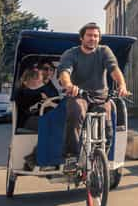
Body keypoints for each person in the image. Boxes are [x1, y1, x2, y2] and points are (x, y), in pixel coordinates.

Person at [58, 23, 130, 162]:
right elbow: (65, 72)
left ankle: (102, 157)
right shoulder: (71, 53)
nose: (93, 38)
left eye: (96, 36)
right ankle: (71, 156)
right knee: (76, 112)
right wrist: (69, 85)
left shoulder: (104, 51)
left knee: (108, 123)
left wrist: (122, 85)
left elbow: (114, 69)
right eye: (89, 35)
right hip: (79, 95)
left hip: (101, 96)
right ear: (82, 38)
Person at [16, 66, 59, 131]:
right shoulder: (25, 92)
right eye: (40, 81)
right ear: (31, 80)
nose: (41, 83)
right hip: (25, 120)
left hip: (30, 117)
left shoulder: (30, 91)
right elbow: (28, 101)